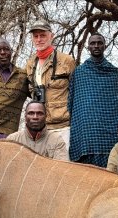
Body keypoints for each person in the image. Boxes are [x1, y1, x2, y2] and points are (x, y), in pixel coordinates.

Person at [68, 32, 118, 168]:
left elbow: (117, 107)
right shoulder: (79, 73)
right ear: (88, 47)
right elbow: (72, 103)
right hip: (85, 131)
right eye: (93, 43)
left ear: (105, 46)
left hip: (108, 132)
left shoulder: (114, 73)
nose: (96, 46)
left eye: (100, 43)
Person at [26, 19, 75, 151]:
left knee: (62, 166)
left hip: (63, 126)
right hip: (40, 127)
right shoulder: (31, 63)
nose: (39, 39)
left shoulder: (66, 60)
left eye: (43, 35)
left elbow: (76, 92)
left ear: (51, 36)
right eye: (35, 36)